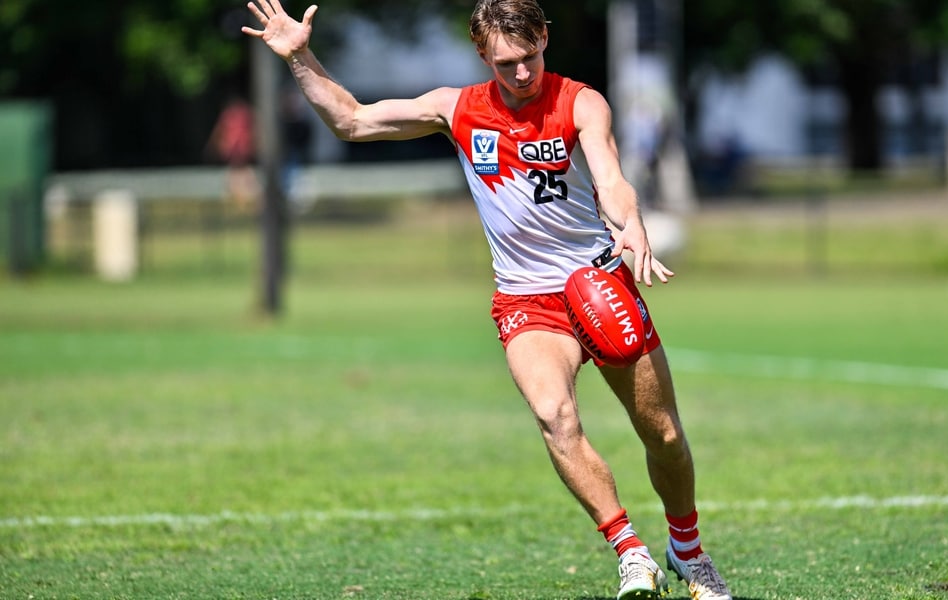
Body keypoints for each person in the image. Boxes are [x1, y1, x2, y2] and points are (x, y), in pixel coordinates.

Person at [243, 1, 731, 598]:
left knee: (665, 436)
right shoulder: (458, 109)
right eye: (506, 63)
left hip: (598, 283)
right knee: (555, 416)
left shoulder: (581, 102)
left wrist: (629, 224)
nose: (522, 74)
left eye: (530, 57)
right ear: (483, 55)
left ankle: (688, 548)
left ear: (545, 39)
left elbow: (609, 176)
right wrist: (298, 56)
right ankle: (630, 550)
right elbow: (351, 120)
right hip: (527, 301)